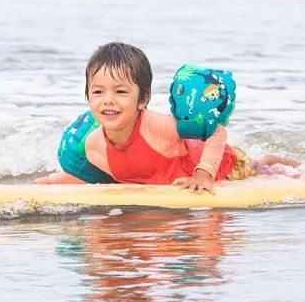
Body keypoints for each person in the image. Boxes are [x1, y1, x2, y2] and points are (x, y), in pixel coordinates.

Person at [36, 42, 299, 193]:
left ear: (143, 99)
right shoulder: (94, 144)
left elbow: (216, 131)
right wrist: (49, 182)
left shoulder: (158, 127)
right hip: (173, 175)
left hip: (223, 165)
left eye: (120, 91)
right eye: (98, 92)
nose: (108, 100)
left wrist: (203, 175)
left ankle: (289, 163)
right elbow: (103, 178)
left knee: (259, 169)